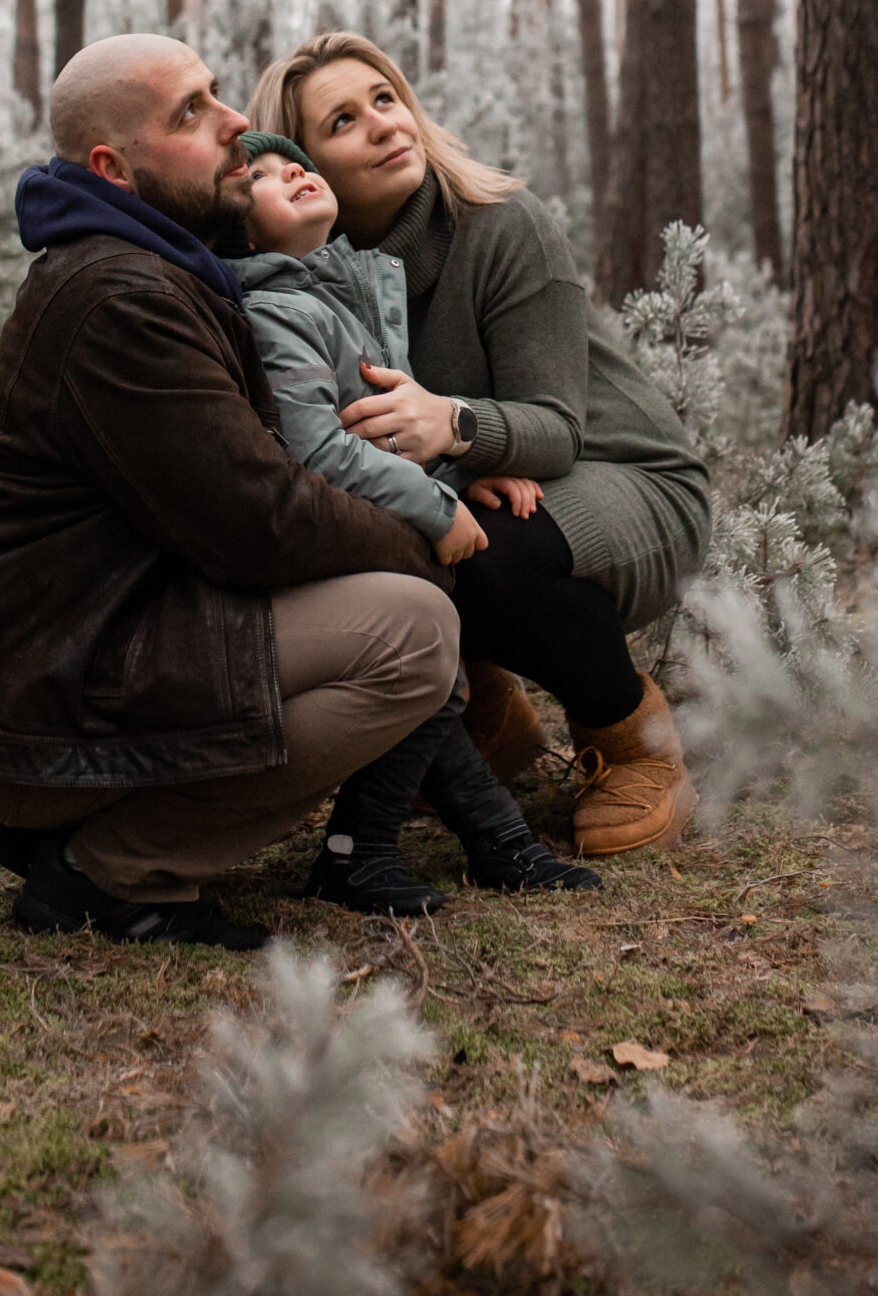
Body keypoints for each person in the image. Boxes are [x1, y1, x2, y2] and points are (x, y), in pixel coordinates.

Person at [0, 35, 468, 953]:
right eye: (191, 113)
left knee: (396, 609)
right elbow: (262, 521)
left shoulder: (160, 265)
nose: (238, 123)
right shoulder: (121, 297)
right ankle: (114, 873)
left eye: (214, 94)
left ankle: (68, 828)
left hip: (68, 651)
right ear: (115, 169)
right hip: (32, 693)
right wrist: (428, 539)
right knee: (412, 635)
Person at [248, 33, 711, 857]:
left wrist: (456, 428)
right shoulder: (301, 281)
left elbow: (557, 429)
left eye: (386, 100)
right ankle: (487, 724)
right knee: (366, 542)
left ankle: (635, 742)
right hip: (482, 481)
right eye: (343, 120)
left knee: (490, 552)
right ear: (301, 162)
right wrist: (456, 476)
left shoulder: (502, 226)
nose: (383, 126)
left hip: (627, 479)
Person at [227, 130, 600, 911]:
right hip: (340, 535)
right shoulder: (274, 310)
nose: (293, 170)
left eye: (294, 160)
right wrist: (437, 504)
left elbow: (389, 424)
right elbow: (316, 448)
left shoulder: (334, 293)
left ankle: (474, 846)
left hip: (375, 521)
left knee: (440, 691)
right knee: (437, 685)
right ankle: (380, 852)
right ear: (236, 227)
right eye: (261, 176)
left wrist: (468, 469)